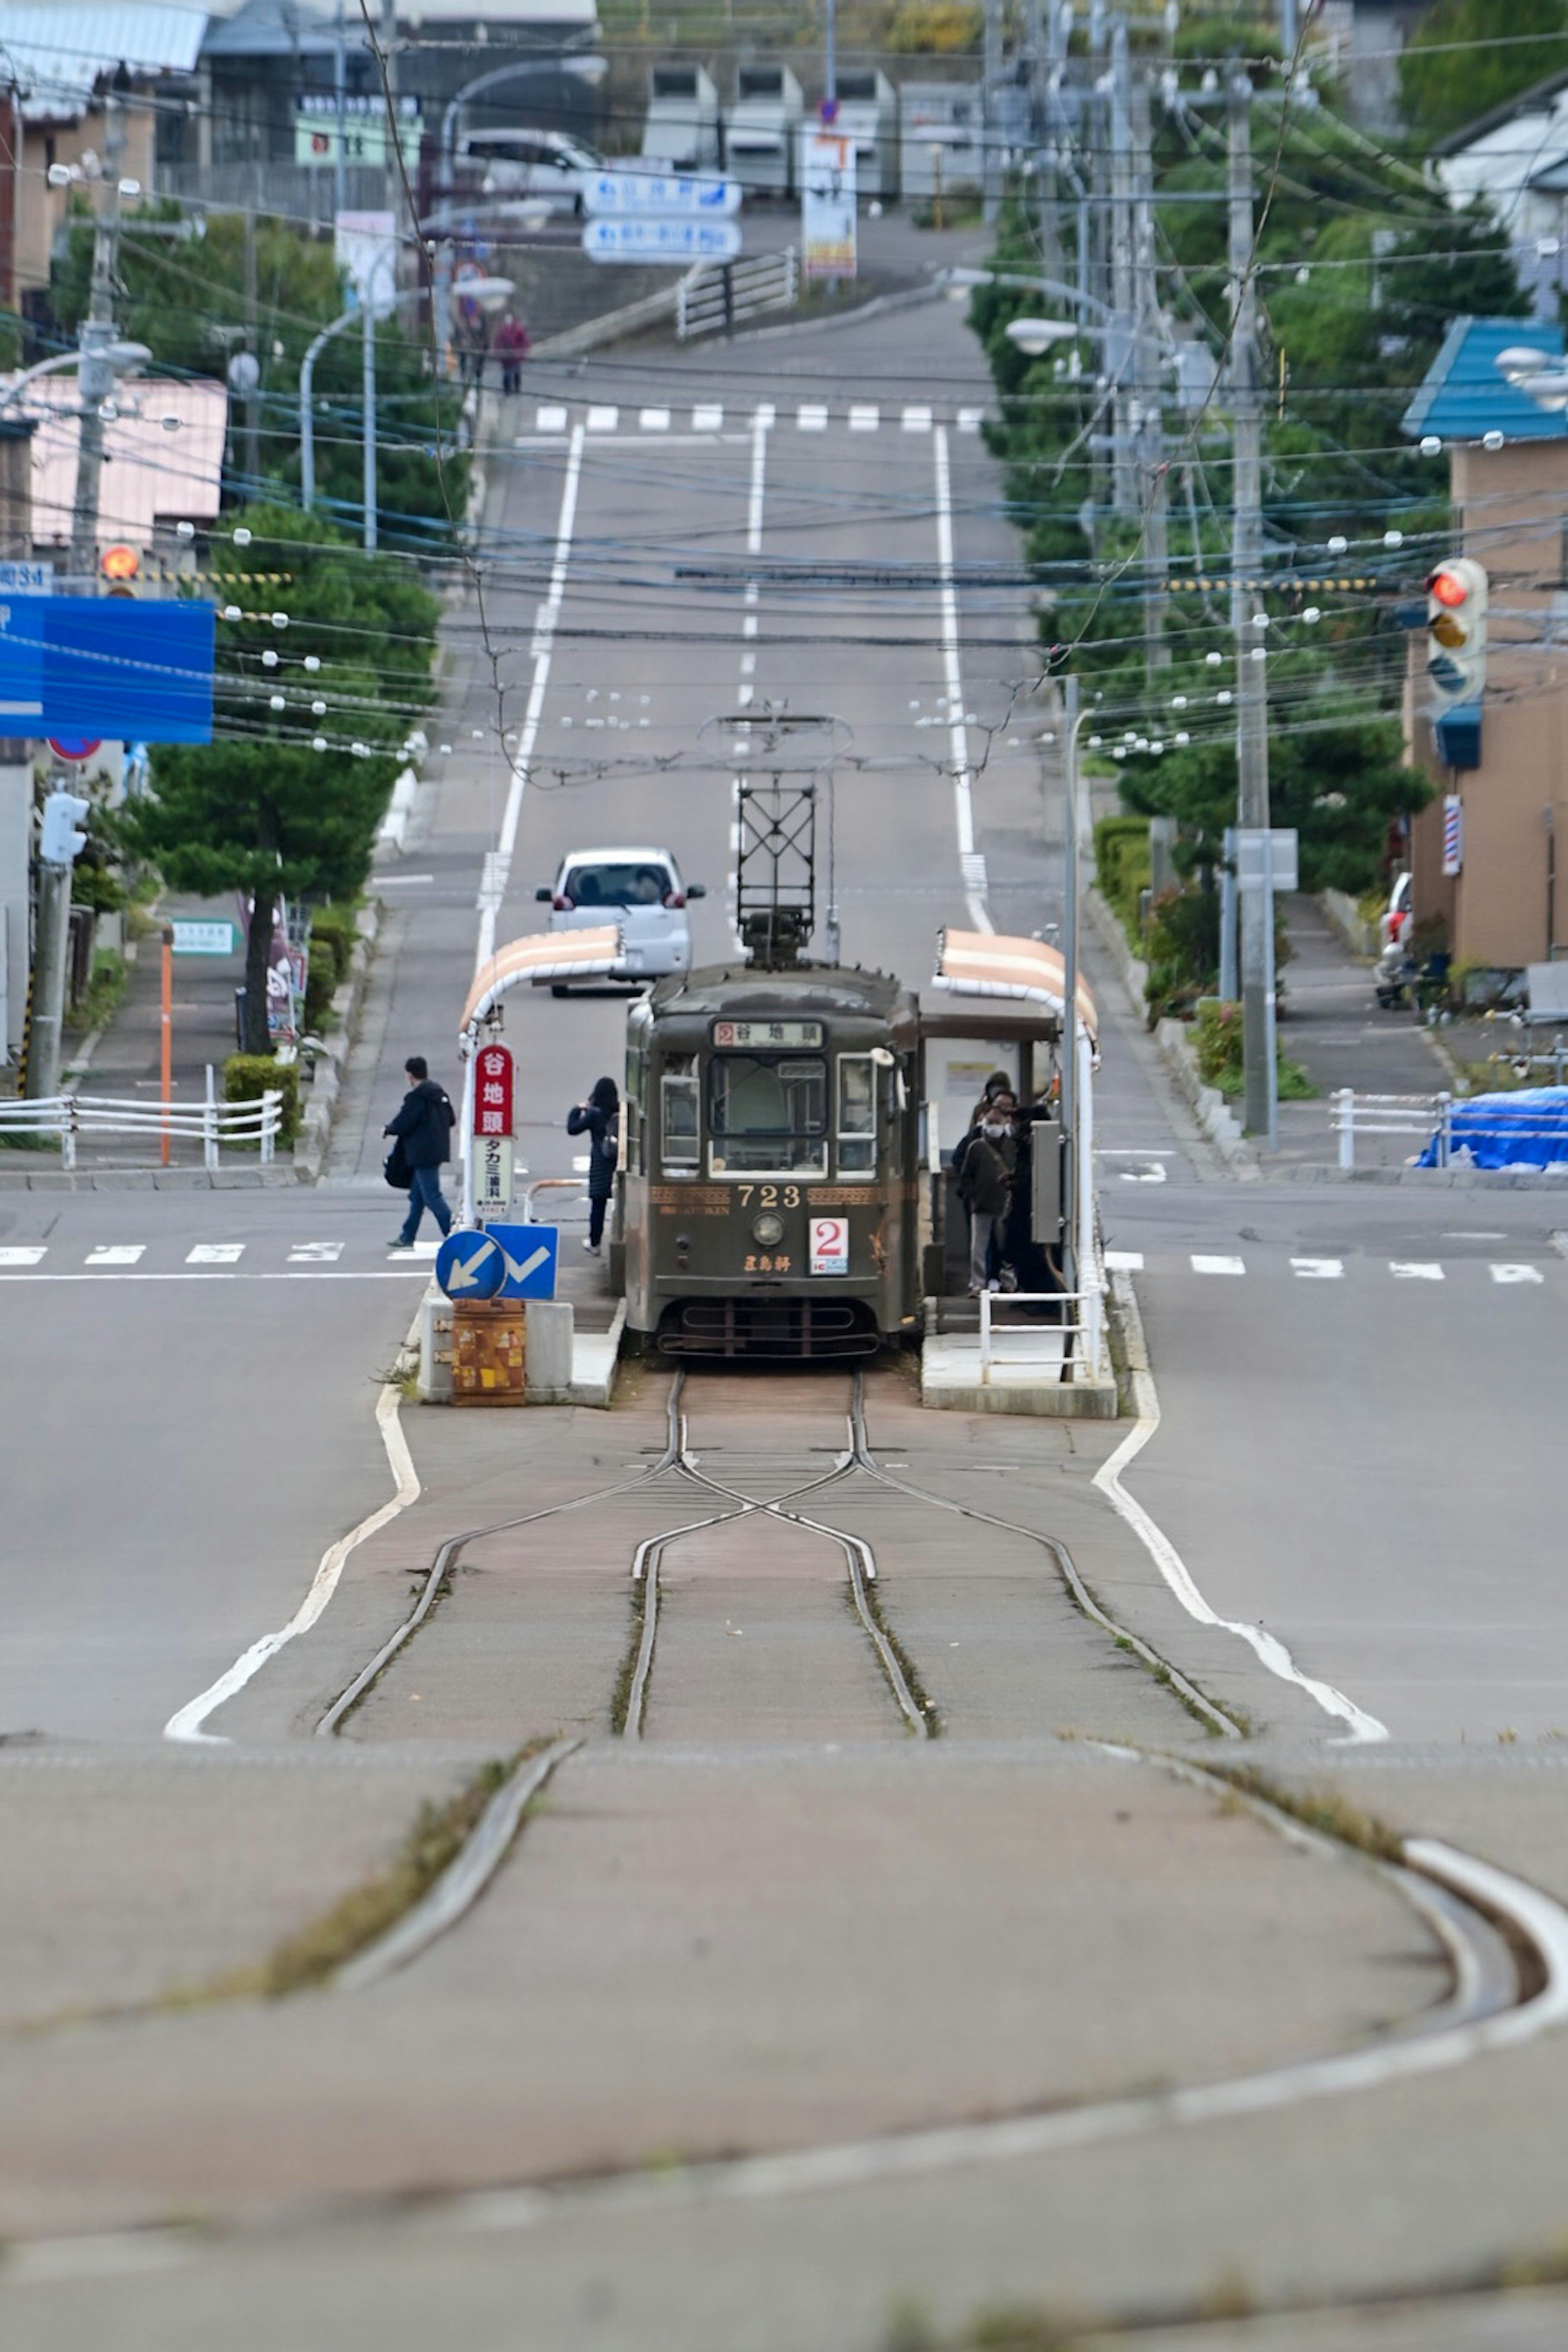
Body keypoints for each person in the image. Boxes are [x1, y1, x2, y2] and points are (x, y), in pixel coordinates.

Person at [385, 1056, 455, 1248]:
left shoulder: (416, 1097)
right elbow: (452, 1119)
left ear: (409, 1075)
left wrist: (389, 1129)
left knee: (432, 1196)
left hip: (422, 1153)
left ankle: (454, 1234)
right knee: (418, 1196)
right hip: (438, 1150)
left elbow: (404, 1122)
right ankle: (408, 1235)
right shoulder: (439, 1093)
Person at [955, 1095, 1016, 1296]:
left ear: (1006, 1124)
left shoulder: (1012, 1145)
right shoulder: (977, 1146)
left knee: (1006, 1246)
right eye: (990, 1122)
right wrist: (972, 1194)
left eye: (997, 1123)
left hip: (1005, 1204)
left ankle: (1007, 1280)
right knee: (978, 1247)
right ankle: (978, 1283)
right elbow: (966, 1174)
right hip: (981, 1203)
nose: (993, 1126)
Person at [567, 1075, 619, 1252]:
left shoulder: (594, 1115)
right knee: (624, 1202)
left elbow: (572, 1129)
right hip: (619, 1162)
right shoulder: (620, 1113)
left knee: (598, 1204)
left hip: (601, 1163)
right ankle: (623, 1238)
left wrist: (577, 1109)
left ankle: (595, 1243)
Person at [493, 312, 530, 395]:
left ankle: (517, 388)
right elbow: (498, 342)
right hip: (505, 357)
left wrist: (522, 351)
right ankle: (507, 390)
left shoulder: (518, 329)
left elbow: (524, 341)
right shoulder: (502, 330)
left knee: (516, 372)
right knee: (506, 374)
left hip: (515, 356)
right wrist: (498, 352)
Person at [455, 305, 489, 386]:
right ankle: (466, 377)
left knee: (477, 363)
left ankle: (477, 379)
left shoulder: (481, 321)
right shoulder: (464, 325)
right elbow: (458, 336)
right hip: (467, 347)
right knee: (466, 362)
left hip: (478, 347)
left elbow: (482, 334)